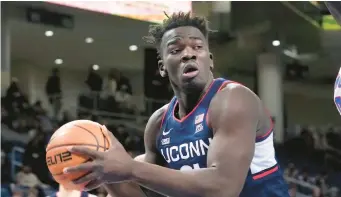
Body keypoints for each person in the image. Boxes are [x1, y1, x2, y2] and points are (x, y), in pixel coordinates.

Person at [64, 12, 289, 197]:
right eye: (176, 50)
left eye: (197, 47)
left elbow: (222, 188)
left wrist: (131, 168)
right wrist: (107, 175)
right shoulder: (159, 124)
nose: (188, 54)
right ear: (162, 67)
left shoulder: (233, 99)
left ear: (209, 60)